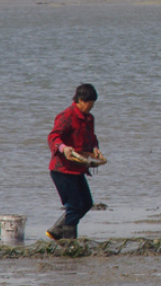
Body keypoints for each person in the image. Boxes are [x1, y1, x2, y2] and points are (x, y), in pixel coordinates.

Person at [47, 83, 101, 241]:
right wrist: (63, 148)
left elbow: (92, 138)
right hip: (62, 169)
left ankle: (57, 230)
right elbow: (53, 137)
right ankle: (69, 241)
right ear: (81, 100)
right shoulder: (66, 116)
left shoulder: (89, 118)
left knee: (86, 203)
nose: (91, 106)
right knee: (75, 205)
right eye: (90, 103)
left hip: (78, 168)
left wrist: (95, 148)